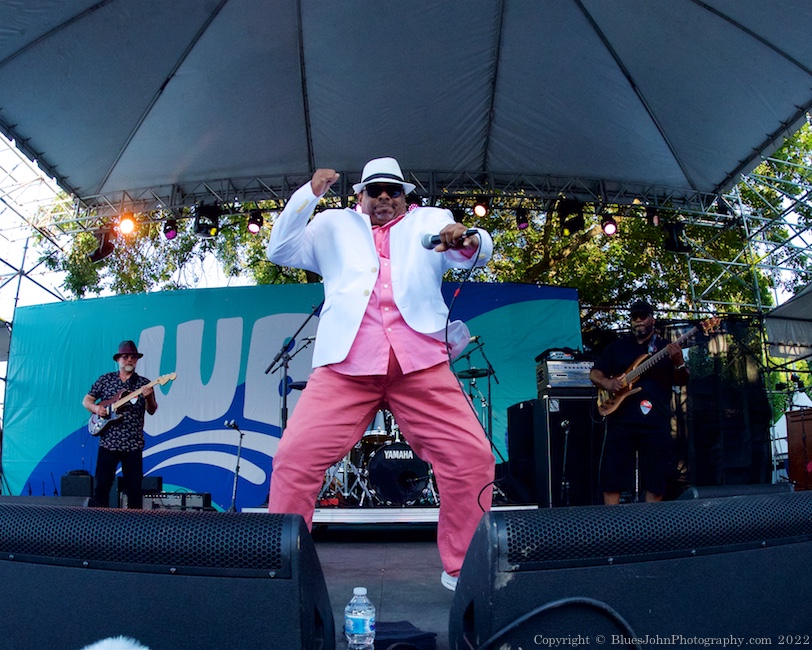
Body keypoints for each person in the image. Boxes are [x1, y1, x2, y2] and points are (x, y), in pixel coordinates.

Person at [266, 156, 495, 590]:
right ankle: (282, 569)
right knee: (294, 458)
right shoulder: (332, 225)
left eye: (394, 190)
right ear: (360, 196)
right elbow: (278, 250)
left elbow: (475, 252)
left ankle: (464, 568)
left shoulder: (429, 221)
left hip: (420, 362)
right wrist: (308, 195)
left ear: (406, 196)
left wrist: (466, 238)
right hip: (346, 365)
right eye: (375, 190)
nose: (385, 197)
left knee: (471, 456)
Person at [589, 300, 689, 505]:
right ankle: (613, 522)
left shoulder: (665, 348)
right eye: (634, 317)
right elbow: (595, 373)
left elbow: (682, 380)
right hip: (621, 421)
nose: (638, 320)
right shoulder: (617, 347)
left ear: (652, 319)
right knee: (612, 478)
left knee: (656, 480)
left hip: (656, 422)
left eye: (643, 316)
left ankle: (650, 522)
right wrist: (607, 383)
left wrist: (679, 362)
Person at [82, 340, 158, 508]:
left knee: (134, 491)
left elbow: (152, 410)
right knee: (101, 488)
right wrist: (97, 409)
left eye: (133, 357)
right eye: (125, 356)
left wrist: (149, 397)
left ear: (137, 360)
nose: (129, 359)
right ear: (118, 359)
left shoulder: (144, 383)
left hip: (133, 444)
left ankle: (133, 523)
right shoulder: (106, 380)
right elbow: (87, 401)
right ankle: (98, 522)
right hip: (108, 443)